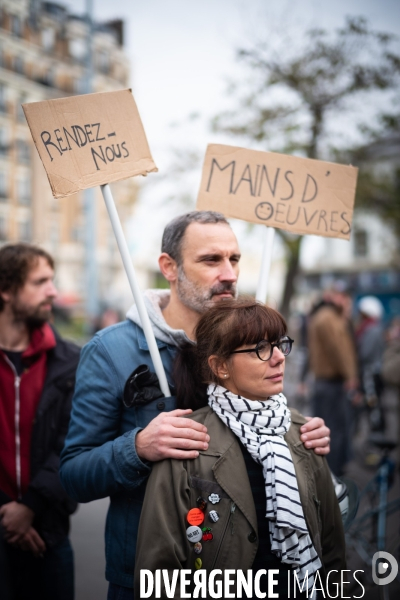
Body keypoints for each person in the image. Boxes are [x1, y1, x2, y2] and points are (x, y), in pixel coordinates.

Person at [60, 211, 331, 598]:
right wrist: (137, 448)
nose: (230, 273)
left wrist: (301, 435)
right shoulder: (110, 351)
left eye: (234, 259)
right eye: (211, 260)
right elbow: (73, 473)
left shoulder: (251, 341)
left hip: (255, 571)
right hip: (151, 573)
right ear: (169, 267)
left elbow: (261, 424)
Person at [134, 298, 346, 599]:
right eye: (260, 348)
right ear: (220, 366)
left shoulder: (304, 434)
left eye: (279, 344)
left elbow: (332, 548)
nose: (278, 358)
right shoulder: (187, 440)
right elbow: (159, 571)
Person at [0, 243, 80, 600]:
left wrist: (30, 505)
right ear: (6, 290)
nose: (53, 291)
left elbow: (73, 441)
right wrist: (7, 513)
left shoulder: (69, 361)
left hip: (48, 532)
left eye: (53, 280)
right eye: (40, 281)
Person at [307, 283, 358, 476]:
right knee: (332, 430)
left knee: (331, 428)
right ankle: (332, 475)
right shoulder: (329, 318)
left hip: (328, 382)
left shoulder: (328, 317)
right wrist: (351, 376)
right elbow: (340, 351)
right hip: (331, 383)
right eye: (341, 296)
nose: (345, 301)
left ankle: (331, 472)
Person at [356, 295, 385, 432]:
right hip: (370, 373)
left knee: (372, 407)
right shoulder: (372, 328)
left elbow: (365, 353)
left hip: (370, 374)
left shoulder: (371, 330)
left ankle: (376, 439)